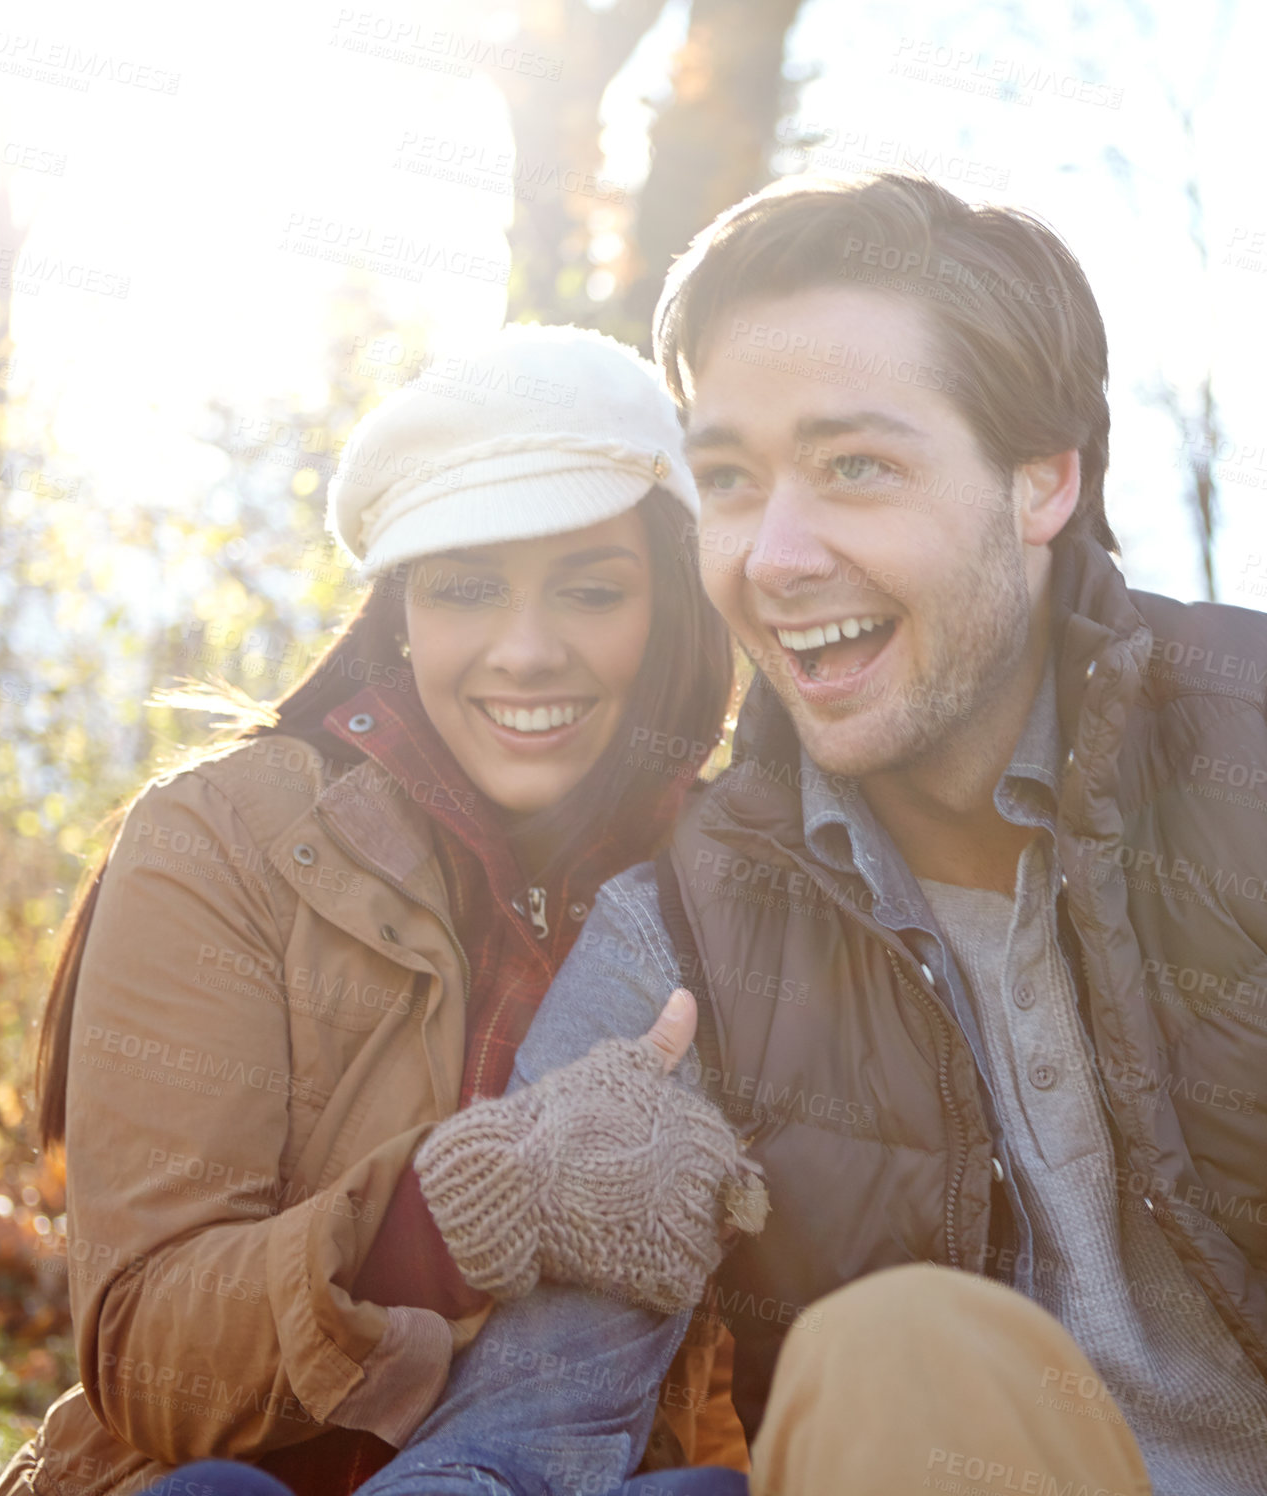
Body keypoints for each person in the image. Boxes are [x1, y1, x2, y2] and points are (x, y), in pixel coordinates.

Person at [354, 174, 1267, 1496]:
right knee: (898, 1356)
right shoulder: (682, 940)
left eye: (855, 467)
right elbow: (521, 1445)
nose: (775, 557)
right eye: (729, 479)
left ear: (1042, 480)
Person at [0, 324, 741, 1496]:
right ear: (401, 613)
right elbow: (151, 1353)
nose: (527, 650)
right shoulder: (223, 840)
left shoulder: (737, 883)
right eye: (466, 588)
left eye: (591, 590)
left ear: (668, 609)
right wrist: (472, 1203)